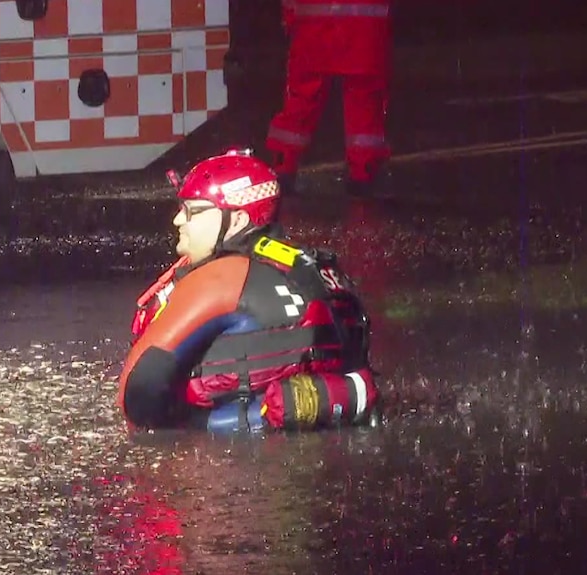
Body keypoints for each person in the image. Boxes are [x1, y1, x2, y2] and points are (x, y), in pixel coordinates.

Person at [117, 148, 381, 434]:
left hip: (236, 455)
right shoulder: (320, 268)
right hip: (329, 432)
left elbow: (137, 393)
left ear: (239, 220)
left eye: (191, 210)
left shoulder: (221, 277)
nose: (178, 220)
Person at [266, 0, 392, 198]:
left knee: (302, 97)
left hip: (313, 25)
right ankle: (363, 171)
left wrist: (289, 17)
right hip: (363, 26)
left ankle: (284, 164)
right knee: (363, 99)